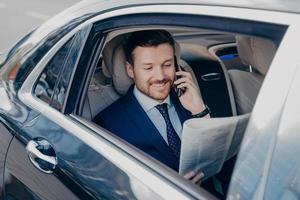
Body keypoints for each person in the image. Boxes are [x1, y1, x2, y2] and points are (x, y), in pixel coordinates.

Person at [94, 30, 210, 184]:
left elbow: (215, 156)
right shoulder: (107, 124)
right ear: (130, 70)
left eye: (167, 65)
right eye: (148, 68)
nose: (160, 76)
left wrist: (200, 110)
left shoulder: (190, 99)